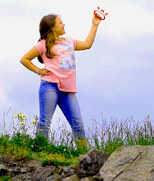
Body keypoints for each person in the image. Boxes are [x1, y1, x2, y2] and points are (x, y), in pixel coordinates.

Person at [19, 9, 106, 150]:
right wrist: (39, 71)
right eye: (61, 22)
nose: (64, 25)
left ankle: (82, 154)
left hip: (68, 90)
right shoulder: (43, 44)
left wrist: (95, 24)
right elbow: (24, 59)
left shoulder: (69, 41)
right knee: (45, 122)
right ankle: (39, 151)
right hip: (49, 86)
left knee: (78, 124)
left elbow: (87, 44)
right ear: (53, 27)